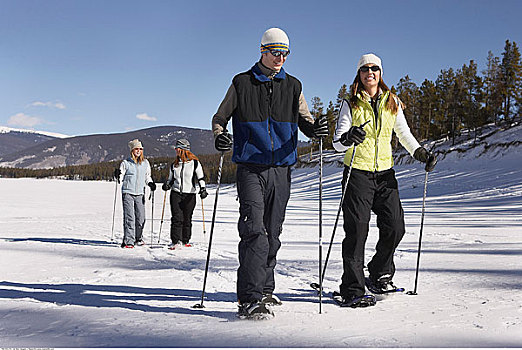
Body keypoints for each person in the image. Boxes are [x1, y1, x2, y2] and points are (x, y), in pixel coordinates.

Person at [211, 27, 329, 319]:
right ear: (262, 50)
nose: (281, 58)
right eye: (276, 52)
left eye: (285, 54)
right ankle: (249, 298)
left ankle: (265, 288)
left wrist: (316, 131)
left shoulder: (294, 86)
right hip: (251, 166)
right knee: (254, 231)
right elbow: (220, 117)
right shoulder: (242, 83)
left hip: (281, 168)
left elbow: (306, 121)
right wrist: (219, 136)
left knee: (273, 231)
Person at [332, 53, 437, 307]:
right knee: (357, 231)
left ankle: (379, 273)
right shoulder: (351, 103)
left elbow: (404, 134)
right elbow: (336, 142)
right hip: (357, 173)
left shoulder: (392, 102)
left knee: (395, 226)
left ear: (381, 73)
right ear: (359, 74)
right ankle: (352, 288)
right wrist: (349, 138)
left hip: (385, 175)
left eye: (375, 68)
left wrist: (421, 153)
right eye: (365, 69)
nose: (370, 72)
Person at [162, 139, 207, 250]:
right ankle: (176, 240)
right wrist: (167, 185)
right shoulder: (174, 165)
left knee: (187, 218)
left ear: (184, 149)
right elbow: (170, 179)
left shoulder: (195, 163)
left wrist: (203, 189)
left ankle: (185, 239)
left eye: (178, 148)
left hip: (190, 195)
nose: (176, 150)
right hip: (176, 193)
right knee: (177, 218)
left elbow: (200, 177)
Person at [114, 139, 156, 248]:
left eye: (140, 149)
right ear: (132, 150)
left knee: (141, 218)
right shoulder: (126, 163)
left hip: (140, 193)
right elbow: (121, 176)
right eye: (136, 149)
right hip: (128, 192)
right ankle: (129, 241)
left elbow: (147, 176)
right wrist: (118, 175)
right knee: (130, 217)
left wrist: (150, 183)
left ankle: (138, 238)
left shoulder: (145, 163)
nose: (138, 151)